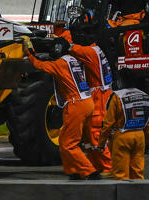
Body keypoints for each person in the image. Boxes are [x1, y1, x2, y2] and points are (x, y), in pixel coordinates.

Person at [21, 36, 98, 180]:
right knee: (64, 140)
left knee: (69, 143)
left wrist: (28, 53)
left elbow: (39, 65)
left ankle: (90, 171)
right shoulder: (72, 60)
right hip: (87, 101)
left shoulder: (59, 64)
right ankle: (73, 171)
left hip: (76, 104)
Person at [67, 26, 115, 175]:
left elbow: (70, 48)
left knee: (96, 133)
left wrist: (61, 40)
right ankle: (96, 165)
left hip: (100, 96)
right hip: (100, 94)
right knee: (89, 135)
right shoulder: (95, 49)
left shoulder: (89, 52)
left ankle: (108, 167)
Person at [98, 87, 149, 180]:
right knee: (138, 172)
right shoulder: (144, 95)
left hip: (122, 137)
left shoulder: (117, 97)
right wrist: (147, 142)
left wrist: (101, 143)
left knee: (121, 175)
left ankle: (123, 194)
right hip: (140, 136)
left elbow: (108, 123)